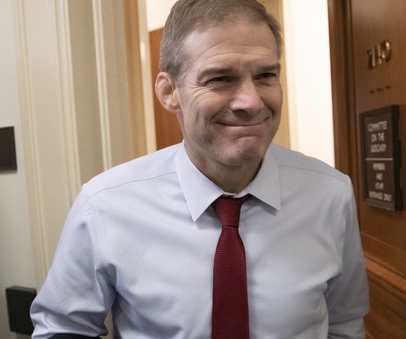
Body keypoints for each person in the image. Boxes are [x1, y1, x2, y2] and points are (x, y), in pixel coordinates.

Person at [30, 0, 369, 338]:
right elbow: (63, 329)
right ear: (169, 92)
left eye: (266, 75)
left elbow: (344, 324)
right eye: (220, 79)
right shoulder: (104, 206)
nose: (251, 102)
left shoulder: (330, 195)